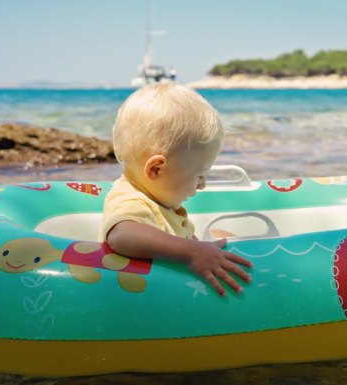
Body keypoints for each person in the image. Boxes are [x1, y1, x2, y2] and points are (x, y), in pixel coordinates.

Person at [100, 83, 252, 296]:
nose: (202, 185)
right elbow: (122, 236)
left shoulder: (158, 200)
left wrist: (201, 250)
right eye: (198, 176)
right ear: (156, 169)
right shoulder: (131, 201)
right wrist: (191, 252)